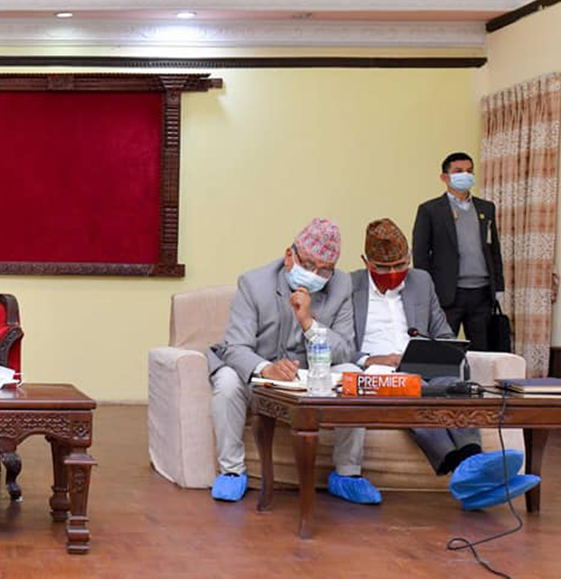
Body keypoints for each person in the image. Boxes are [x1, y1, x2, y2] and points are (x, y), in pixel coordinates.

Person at [351, 218, 539, 509]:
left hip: (420, 362)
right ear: (366, 262)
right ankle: (470, 474)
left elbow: (444, 334)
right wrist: (370, 359)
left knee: (455, 386)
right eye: (383, 268)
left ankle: (472, 467)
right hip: (378, 369)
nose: (393, 273)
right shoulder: (349, 286)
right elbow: (338, 342)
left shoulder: (421, 281)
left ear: (409, 257)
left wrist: (436, 351)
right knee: (414, 390)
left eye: (400, 265)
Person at [206, 218, 379, 504]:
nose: (315, 275)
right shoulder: (254, 283)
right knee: (226, 380)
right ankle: (232, 471)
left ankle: (347, 474)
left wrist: (308, 323)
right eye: (308, 265)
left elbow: (346, 349)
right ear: (290, 256)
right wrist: (267, 369)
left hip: (312, 375)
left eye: (325, 270)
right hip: (261, 374)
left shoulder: (341, 284)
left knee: (353, 375)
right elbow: (235, 346)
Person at [413, 152, 504, 351]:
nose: (466, 175)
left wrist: (499, 288)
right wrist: (427, 291)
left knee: (481, 351)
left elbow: (494, 250)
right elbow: (420, 255)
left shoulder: (486, 208)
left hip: (482, 294)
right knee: (443, 350)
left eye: (469, 171)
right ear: (444, 177)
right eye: (459, 171)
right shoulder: (430, 210)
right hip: (447, 294)